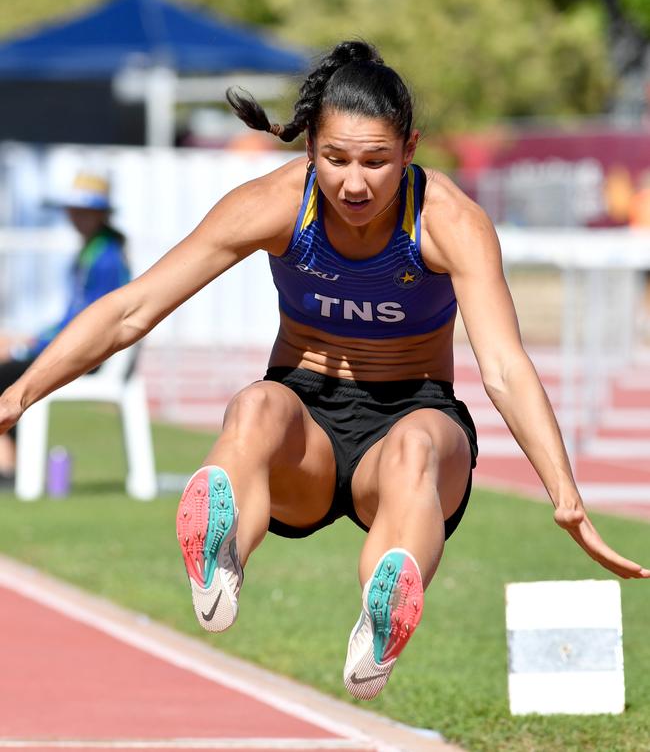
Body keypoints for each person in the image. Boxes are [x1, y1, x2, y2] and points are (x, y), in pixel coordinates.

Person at [0, 41, 647, 700]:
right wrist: (17, 394)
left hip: (413, 410)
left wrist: (566, 497)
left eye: (375, 161)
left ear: (410, 148)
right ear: (309, 148)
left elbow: (504, 367)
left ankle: (380, 618)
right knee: (254, 405)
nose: (355, 183)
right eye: (335, 159)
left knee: (416, 450)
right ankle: (220, 557)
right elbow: (135, 307)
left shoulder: (450, 221)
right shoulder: (277, 202)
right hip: (302, 422)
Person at [0, 170, 130, 486]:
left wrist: (21, 348)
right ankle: (10, 467)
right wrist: (27, 341)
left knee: (7, 373)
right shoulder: (93, 251)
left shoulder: (105, 257)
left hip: (90, 356)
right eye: (75, 209)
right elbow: (70, 321)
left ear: (100, 214)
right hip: (81, 348)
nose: (77, 217)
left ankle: (7, 469)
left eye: (86, 210)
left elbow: (87, 324)